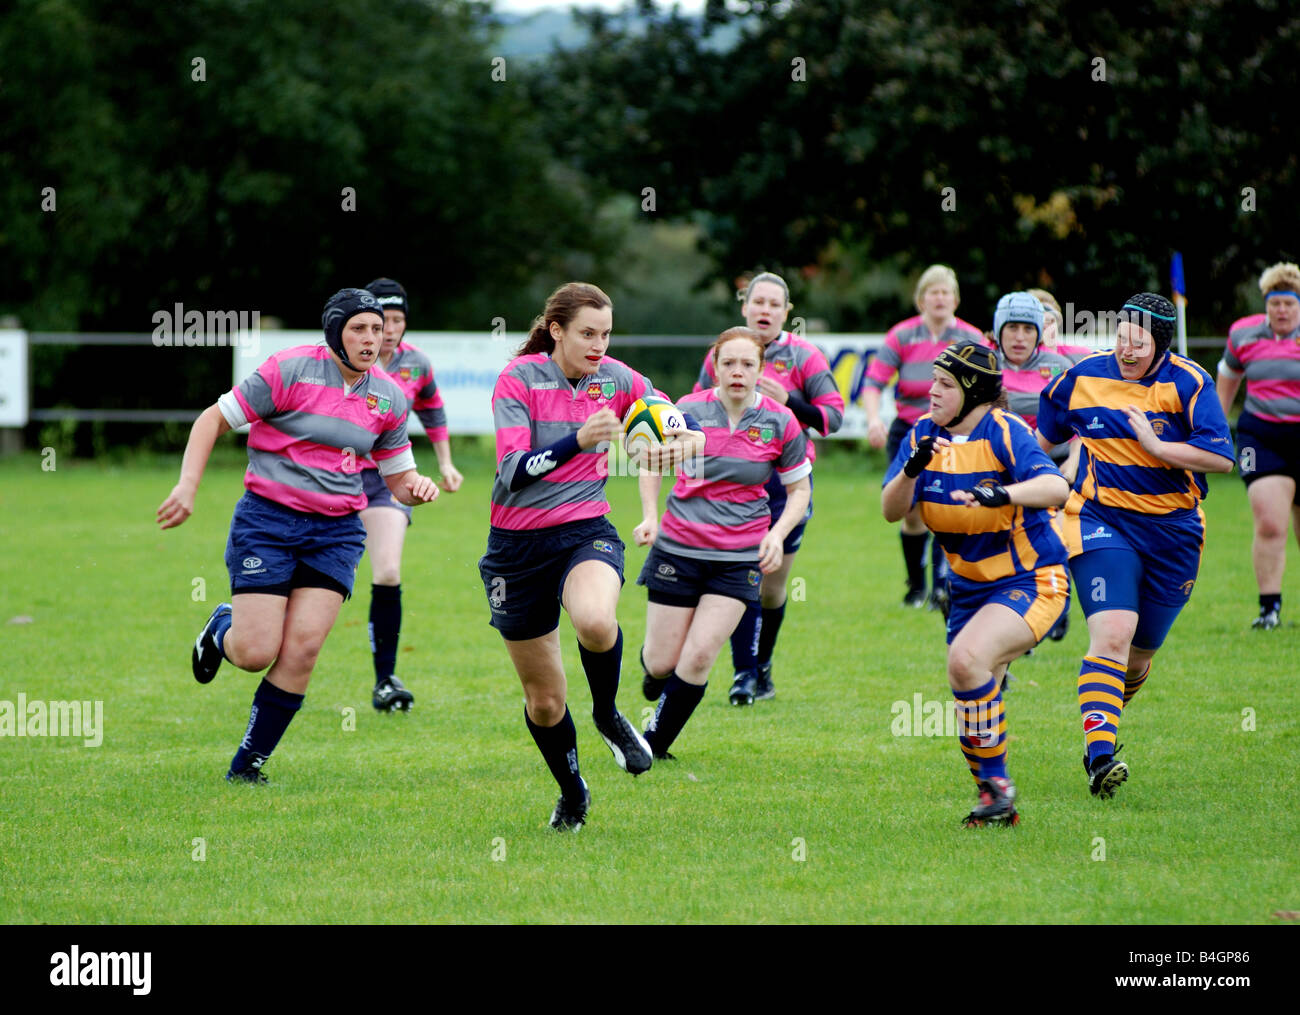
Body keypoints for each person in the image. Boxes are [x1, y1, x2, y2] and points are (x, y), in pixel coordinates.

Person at [156, 289, 440, 783]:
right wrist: (187, 487)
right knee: (254, 653)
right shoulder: (288, 370)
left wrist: (416, 488)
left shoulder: (388, 396)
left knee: (303, 648)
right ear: (335, 332)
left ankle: (247, 767)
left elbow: (397, 480)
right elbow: (212, 420)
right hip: (267, 523)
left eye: (377, 329)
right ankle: (223, 627)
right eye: (359, 329)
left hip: (337, 533)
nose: (371, 339)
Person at [480, 281, 704, 830]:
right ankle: (573, 791)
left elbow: (676, 419)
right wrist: (576, 441)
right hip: (516, 547)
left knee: (597, 620)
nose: (598, 344)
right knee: (545, 703)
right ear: (556, 331)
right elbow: (512, 470)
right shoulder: (519, 380)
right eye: (587, 333)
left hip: (585, 531)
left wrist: (686, 440)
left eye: (605, 333)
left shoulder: (618, 378)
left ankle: (607, 714)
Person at [1037, 293, 1234, 799]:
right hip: (1101, 521)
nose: (1126, 349)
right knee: (1112, 634)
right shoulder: (1082, 378)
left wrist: (1159, 448)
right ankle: (1101, 754)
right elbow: (1044, 436)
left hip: (1175, 534)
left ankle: (1101, 715)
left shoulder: (1190, 381)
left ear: (1160, 344)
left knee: (1138, 658)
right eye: (1121, 337)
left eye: (1138, 342)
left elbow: (1221, 459)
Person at [882, 341, 1070, 827]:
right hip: (968, 588)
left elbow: (1056, 488)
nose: (932, 392)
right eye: (933, 381)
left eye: (946, 384)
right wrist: (912, 466)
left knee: (965, 662)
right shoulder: (923, 434)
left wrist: (1001, 492)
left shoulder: (1005, 432)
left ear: (973, 394)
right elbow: (890, 511)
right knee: (971, 682)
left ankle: (997, 789)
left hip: (1033, 580)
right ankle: (994, 799)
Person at [636, 328, 811, 757]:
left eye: (747, 364)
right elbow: (652, 461)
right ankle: (657, 675)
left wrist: (776, 533)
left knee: (698, 657)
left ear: (761, 370)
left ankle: (652, 748)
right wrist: (649, 515)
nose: (737, 372)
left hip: (739, 557)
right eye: (728, 363)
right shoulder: (686, 410)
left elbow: (800, 490)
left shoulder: (780, 422)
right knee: (662, 662)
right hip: (677, 548)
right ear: (714, 366)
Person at [691, 272, 843, 706]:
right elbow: (694, 414)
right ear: (744, 306)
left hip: (787, 489)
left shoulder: (805, 358)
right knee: (746, 576)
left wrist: (789, 402)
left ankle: (762, 666)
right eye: (758, 302)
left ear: (786, 312)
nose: (765, 310)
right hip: (734, 488)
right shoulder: (720, 355)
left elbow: (832, 419)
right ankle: (744, 675)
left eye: (775, 304)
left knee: (773, 587)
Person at [358, 278, 464, 712]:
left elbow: (434, 413)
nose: (391, 329)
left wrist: (445, 464)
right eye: (384, 321)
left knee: (386, 572)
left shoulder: (416, 365)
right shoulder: (337, 365)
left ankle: (385, 680)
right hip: (330, 480)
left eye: (398, 320)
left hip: (386, 481)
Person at [865, 264, 985, 612]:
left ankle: (941, 589)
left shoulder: (971, 338)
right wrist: (874, 420)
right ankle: (916, 585)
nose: (939, 298)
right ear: (921, 300)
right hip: (909, 430)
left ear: (956, 299)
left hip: (956, 430)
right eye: (933, 292)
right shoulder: (901, 336)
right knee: (911, 510)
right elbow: (874, 383)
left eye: (946, 292)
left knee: (945, 502)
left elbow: (989, 388)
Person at [991, 290, 1080, 642]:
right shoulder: (983, 364)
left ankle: (1058, 603)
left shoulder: (1061, 367)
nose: (1019, 337)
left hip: (1050, 464)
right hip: (995, 465)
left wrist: (1072, 464)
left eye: (1027, 329)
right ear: (998, 331)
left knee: (1052, 534)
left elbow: (1082, 424)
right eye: (1011, 328)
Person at [1215, 262, 1300, 629]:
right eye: (1275, 302)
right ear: (1266, 303)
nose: (1281, 310)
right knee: (1269, 522)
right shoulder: (1244, 334)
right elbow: (1228, 376)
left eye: (1289, 303)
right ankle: (1270, 609)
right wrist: (1214, 429)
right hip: (1260, 436)